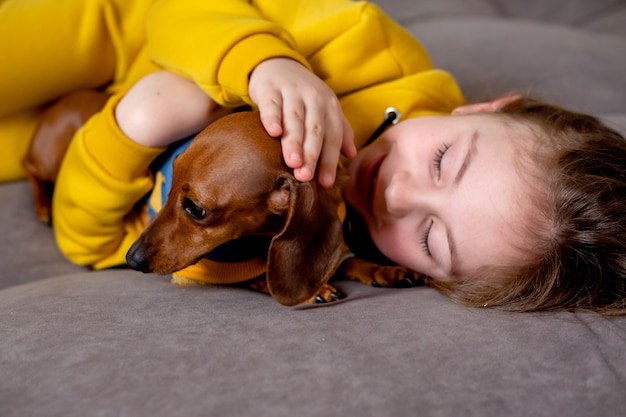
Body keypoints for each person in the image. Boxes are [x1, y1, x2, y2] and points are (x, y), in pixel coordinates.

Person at [1, 0, 625, 315]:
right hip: (111, 26)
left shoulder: (317, 234)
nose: (397, 195)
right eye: (442, 161)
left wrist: (133, 127)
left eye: (432, 238)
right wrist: (263, 60)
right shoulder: (363, 42)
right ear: (484, 110)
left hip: (79, 126)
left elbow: (89, 244)